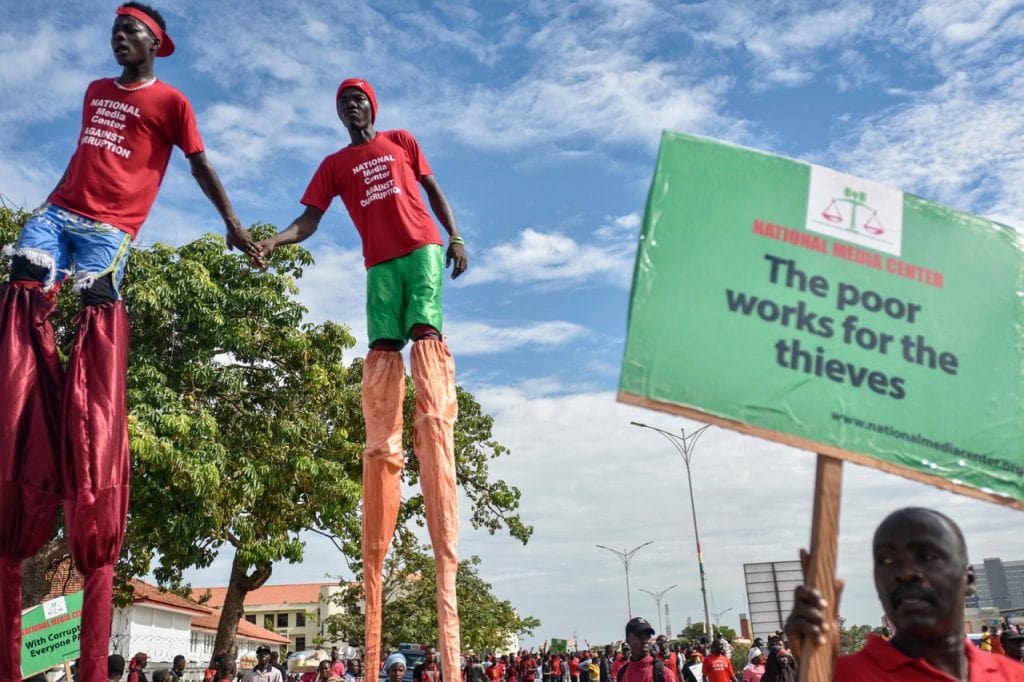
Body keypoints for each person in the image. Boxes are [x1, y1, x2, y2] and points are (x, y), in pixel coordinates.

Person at [0, 3, 256, 680]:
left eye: (130, 29)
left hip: (110, 231)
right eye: (113, 28)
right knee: (23, 276)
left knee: (97, 305)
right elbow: (79, 158)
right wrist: (48, 212)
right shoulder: (94, 92)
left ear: (155, 43)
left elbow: (199, 166)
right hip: (60, 213)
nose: (119, 37)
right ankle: (32, 382)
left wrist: (231, 223)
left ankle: (79, 388)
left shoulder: (171, 102)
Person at [253, 76, 465, 682]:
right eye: (344, 101)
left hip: (422, 247)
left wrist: (455, 236)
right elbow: (310, 221)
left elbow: (432, 188)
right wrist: (274, 240)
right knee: (381, 353)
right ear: (339, 114)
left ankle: (431, 424)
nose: (353, 106)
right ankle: (389, 442)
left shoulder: (400, 140)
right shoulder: (334, 164)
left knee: (425, 343)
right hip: (379, 266)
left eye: (360, 99)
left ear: (374, 107)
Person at [784, 507, 1024, 680]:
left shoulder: (1013, 675)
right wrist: (814, 668)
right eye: (886, 560)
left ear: (968, 579)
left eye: (927, 556)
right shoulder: (842, 677)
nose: (905, 573)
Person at [617, 617, 679, 682]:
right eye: (640, 636)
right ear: (628, 639)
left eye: (648, 636)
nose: (645, 640)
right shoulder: (622, 673)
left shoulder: (663, 674)